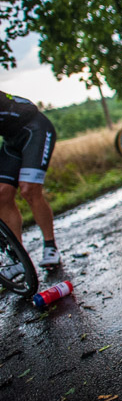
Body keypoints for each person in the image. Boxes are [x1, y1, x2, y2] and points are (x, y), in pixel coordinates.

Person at [0, 92, 61, 271]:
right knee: (2, 193)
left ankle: (50, 247)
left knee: (29, 190)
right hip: (11, 141)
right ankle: (19, 260)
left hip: (35, 129)